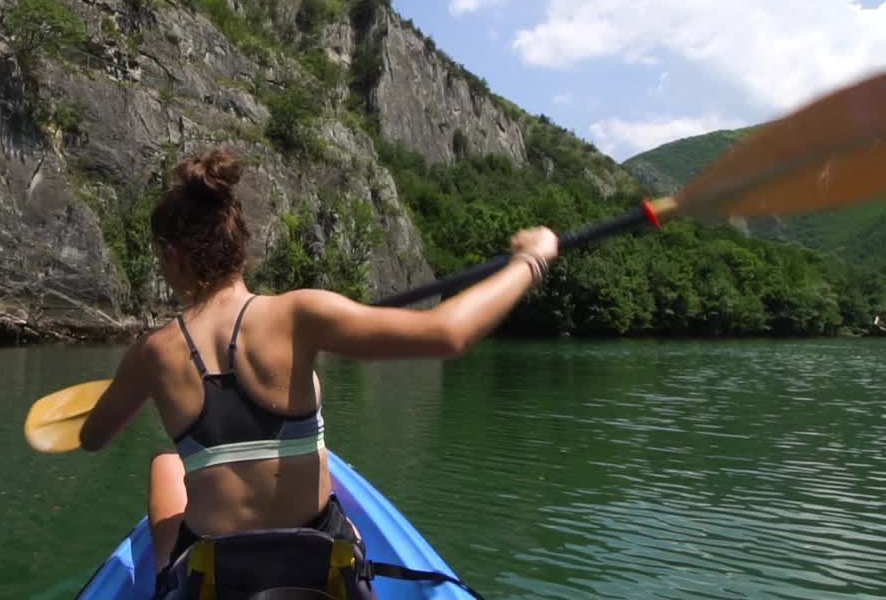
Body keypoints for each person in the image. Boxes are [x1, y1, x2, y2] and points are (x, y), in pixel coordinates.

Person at [79, 148, 557, 598]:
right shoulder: (298, 315)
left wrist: (132, 391)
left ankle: (165, 581)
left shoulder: (153, 352)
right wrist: (530, 260)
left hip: (216, 579)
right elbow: (450, 333)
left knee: (167, 463)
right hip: (316, 566)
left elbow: (93, 437)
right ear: (240, 244)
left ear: (173, 257)